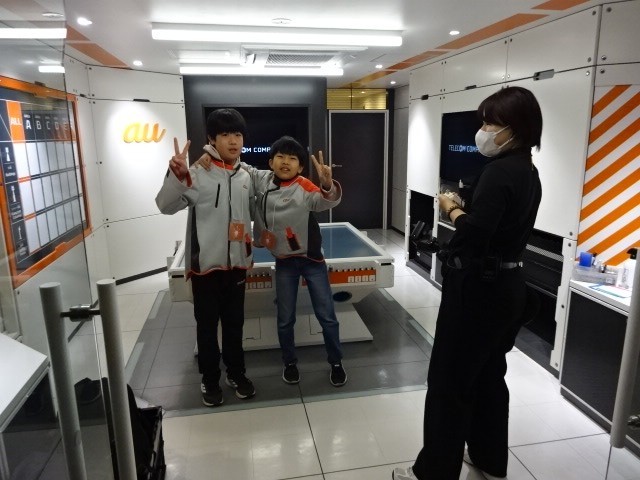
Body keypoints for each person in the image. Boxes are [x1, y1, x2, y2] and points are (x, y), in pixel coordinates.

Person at [393, 86, 543, 480]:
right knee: (489, 375)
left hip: (478, 291)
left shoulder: (499, 171)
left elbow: (476, 232)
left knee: (450, 381)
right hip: (508, 287)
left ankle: (433, 473)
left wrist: (452, 209)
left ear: (514, 128)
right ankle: (489, 459)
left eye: (491, 124)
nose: (485, 131)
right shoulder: (528, 171)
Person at [199, 135, 347, 386]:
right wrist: (209, 154)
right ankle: (289, 362)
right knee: (285, 318)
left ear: (301, 166)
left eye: (293, 159)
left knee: (327, 316)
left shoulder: (305, 186)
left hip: (311, 261)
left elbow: (325, 201)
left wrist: (327, 184)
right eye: (280, 157)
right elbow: (238, 163)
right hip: (284, 262)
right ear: (271, 162)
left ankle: (336, 362)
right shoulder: (262, 179)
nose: (286, 162)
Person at [155, 108, 256, 407]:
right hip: (205, 269)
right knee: (207, 327)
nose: (233, 141)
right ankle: (210, 378)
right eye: (225, 134)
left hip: (237, 266)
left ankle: (236, 373)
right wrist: (177, 175)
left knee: (235, 324)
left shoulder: (246, 174)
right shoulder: (197, 173)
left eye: (237, 134)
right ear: (211, 138)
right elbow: (165, 206)